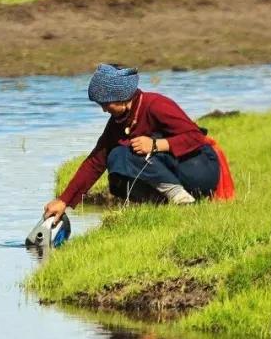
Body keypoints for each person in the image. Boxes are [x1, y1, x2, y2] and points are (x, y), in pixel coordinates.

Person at [43, 63, 235, 222]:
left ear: (121, 97)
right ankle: (166, 204)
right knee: (117, 171)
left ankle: (181, 199)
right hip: (178, 172)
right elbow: (95, 162)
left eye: (105, 104)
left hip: (199, 169)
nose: (104, 110)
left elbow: (196, 137)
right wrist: (64, 201)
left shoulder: (156, 104)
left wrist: (155, 145)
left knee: (125, 152)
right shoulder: (118, 122)